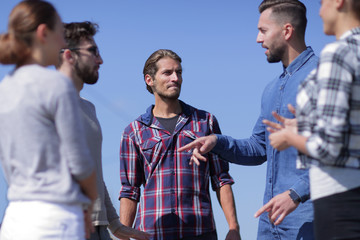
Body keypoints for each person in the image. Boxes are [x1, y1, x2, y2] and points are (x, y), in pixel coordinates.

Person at [178, 0, 318, 239]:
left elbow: (345, 148)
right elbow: (259, 148)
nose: (257, 39)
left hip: (310, 220)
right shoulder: (271, 89)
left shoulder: (324, 76)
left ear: (286, 31)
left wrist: (296, 194)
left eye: (263, 30)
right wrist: (216, 142)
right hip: (269, 223)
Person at [118, 49, 241, 240]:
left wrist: (233, 228)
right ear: (149, 80)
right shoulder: (133, 131)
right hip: (151, 233)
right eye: (167, 73)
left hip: (200, 231)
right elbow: (130, 190)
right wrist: (123, 234)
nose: (175, 78)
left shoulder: (205, 122)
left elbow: (221, 178)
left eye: (179, 72)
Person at [0, 1, 97, 239]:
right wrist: (90, 203)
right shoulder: (57, 85)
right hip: (55, 219)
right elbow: (80, 163)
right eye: (58, 34)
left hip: (14, 218)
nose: (63, 43)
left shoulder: (5, 88)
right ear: (44, 33)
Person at [263, 0, 360, 239]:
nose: (318, 11)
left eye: (322, 2)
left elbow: (330, 146)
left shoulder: (338, 54)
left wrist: (291, 137)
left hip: (337, 202)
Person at [57, 21, 150, 240]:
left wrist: (115, 224)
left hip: (98, 227)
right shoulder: (47, 103)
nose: (100, 60)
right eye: (93, 51)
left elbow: (93, 172)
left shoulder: (89, 108)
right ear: (69, 55)